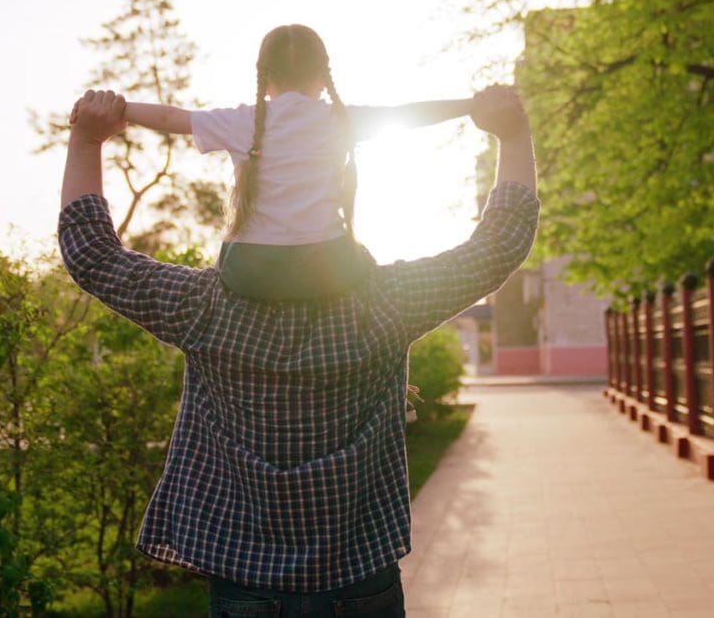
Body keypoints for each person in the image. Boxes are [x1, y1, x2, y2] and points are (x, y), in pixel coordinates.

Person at [58, 83, 538, 617]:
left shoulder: (203, 309)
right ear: (338, 188)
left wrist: (87, 140)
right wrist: (512, 134)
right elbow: (503, 241)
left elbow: (93, 255)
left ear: (246, 186)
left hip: (245, 584)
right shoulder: (388, 304)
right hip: (362, 583)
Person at [117, 23, 476, 301]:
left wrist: (117, 108)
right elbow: (409, 114)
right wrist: (472, 104)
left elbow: (170, 118)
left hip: (249, 270)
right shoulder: (340, 119)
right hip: (329, 268)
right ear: (322, 75)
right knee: (363, 262)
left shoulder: (242, 120)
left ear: (265, 76)